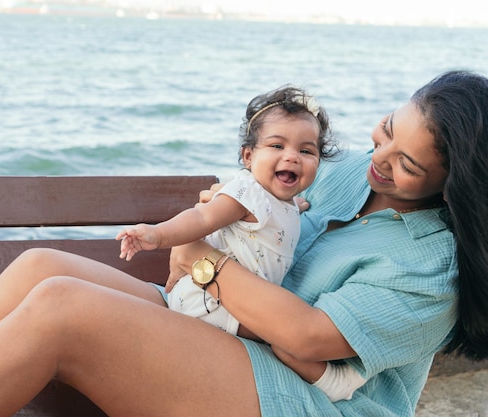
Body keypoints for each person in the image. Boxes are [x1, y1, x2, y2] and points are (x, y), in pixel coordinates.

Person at [0, 70, 487, 417]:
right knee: (40, 268)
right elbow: (264, 191)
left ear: (455, 188)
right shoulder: (350, 171)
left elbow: (306, 337)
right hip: (235, 334)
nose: (378, 159)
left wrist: (205, 263)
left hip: (302, 399)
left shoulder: (434, 266)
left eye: (406, 164)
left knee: (62, 309)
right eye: (385, 132)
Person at [116, 85, 366, 401]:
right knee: (285, 337)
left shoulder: (284, 202)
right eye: (277, 145)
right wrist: (157, 235)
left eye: (306, 151)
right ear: (249, 156)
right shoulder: (246, 195)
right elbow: (202, 219)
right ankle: (333, 382)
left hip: (232, 297)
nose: (292, 156)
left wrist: (297, 206)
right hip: (212, 303)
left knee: (283, 331)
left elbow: (279, 215)